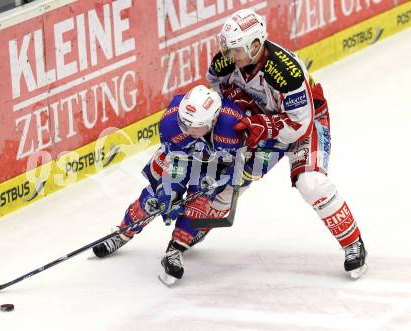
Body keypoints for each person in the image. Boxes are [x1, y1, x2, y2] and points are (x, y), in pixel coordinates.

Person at [207, 9, 367, 278]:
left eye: (234, 49)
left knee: (311, 182)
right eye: (227, 47)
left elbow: (299, 125)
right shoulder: (225, 62)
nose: (228, 54)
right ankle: (191, 232)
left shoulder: (285, 71)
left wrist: (261, 125)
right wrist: (238, 102)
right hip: (259, 122)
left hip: (304, 124)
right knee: (225, 179)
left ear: (255, 45)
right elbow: (216, 84)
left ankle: (353, 243)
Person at [92, 85, 247, 285]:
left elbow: (240, 165)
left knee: (199, 204)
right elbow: (173, 161)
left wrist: (219, 181)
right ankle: (122, 233)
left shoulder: (233, 125)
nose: (188, 130)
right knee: (153, 200)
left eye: (196, 125)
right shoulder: (171, 122)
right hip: (181, 159)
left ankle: (176, 249)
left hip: (214, 166)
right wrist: (167, 193)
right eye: (185, 122)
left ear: (213, 120)